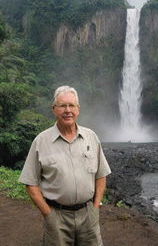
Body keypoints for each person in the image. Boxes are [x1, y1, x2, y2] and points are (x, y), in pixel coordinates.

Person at [19, 86, 111, 246]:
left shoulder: (91, 137)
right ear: (54, 109)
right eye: (62, 106)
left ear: (78, 109)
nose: (67, 110)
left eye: (71, 105)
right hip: (57, 216)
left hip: (88, 214)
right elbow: (30, 182)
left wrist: (95, 207)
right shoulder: (41, 141)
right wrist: (48, 214)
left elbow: (101, 174)